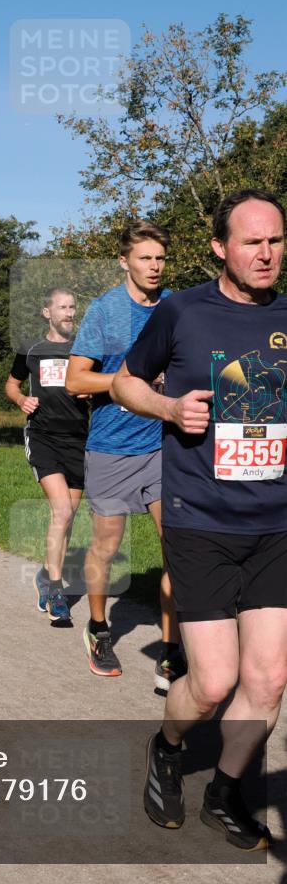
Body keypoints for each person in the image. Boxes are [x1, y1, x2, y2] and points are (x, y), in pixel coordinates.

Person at [112, 189, 286, 851]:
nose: (266, 254)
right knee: (212, 682)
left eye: (276, 240)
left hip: (277, 524)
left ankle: (225, 791)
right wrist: (168, 408)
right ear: (220, 247)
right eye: (251, 242)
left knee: (268, 678)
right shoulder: (182, 311)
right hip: (200, 518)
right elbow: (126, 380)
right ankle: (168, 745)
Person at [66, 221, 184, 689]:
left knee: (177, 548)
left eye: (160, 257)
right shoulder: (105, 311)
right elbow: (76, 380)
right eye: (144, 258)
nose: (154, 266)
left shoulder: (177, 307)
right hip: (113, 447)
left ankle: (171, 649)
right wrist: (124, 384)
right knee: (107, 549)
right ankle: (97, 628)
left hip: (163, 446)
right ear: (124, 262)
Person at [5, 287, 89, 623]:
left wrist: (91, 391)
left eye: (73, 307)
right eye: (63, 307)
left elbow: (97, 385)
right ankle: (55, 589)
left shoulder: (84, 350)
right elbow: (11, 384)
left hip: (79, 438)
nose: (69, 313)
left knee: (68, 518)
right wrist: (20, 400)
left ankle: (45, 573)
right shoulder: (31, 350)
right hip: (43, 436)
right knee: (62, 510)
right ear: (47, 313)